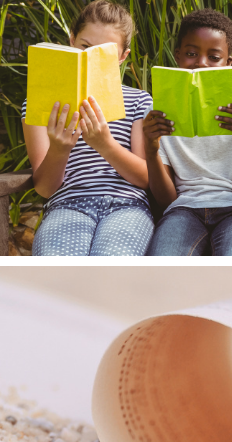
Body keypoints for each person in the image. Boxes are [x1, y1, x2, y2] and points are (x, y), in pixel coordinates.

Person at [22, 0, 153, 256]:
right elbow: (45, 188)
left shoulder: (139, 100)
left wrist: (105, 144)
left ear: (122, 57)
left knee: (111, 271)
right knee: (60, 273)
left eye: (104, 52)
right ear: (72, 41)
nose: (91, 55)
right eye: (85, 47)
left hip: (127, 206)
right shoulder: (39, 103)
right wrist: (60, 149)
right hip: (67, 205)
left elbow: (146, 178)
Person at [143, 8, 232, 256]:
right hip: (183, 209)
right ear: (177, 56)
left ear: (228, 64)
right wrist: (151, 149)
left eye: (214, 57)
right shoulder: (158, 112)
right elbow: (166, 200)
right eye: (191, 53)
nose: (200, 62)